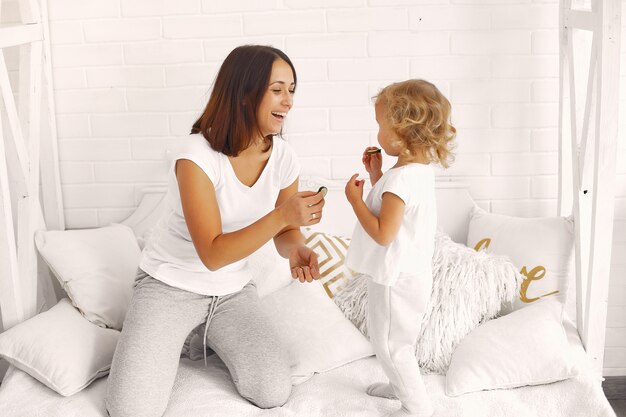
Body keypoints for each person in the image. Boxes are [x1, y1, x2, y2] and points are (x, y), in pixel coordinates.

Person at [105, 45, 325, 417]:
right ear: (243, 93)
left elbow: (284, 230)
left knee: (273, 391)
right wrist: (284, 215)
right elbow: (213, 253)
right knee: (131, 411)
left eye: (292, 90)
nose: (288, 101)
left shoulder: (284, 156)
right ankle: (181, 332)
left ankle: (202, 338)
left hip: (232, 291)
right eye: (277, 89)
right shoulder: (195, 156)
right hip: (169, 285)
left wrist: (295, 249)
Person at [344, 79, 456, 417]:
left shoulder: (402, 179)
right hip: (410, 274)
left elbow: (383, 232)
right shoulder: (415, 172)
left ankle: (417, 407)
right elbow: (396, 213)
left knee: (391, 345)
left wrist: (355, 200)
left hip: (396, 280)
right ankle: (400, 384)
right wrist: (377, 174)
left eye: (380, 125)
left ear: (402, 131)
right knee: (396, 341)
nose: (377, 132)